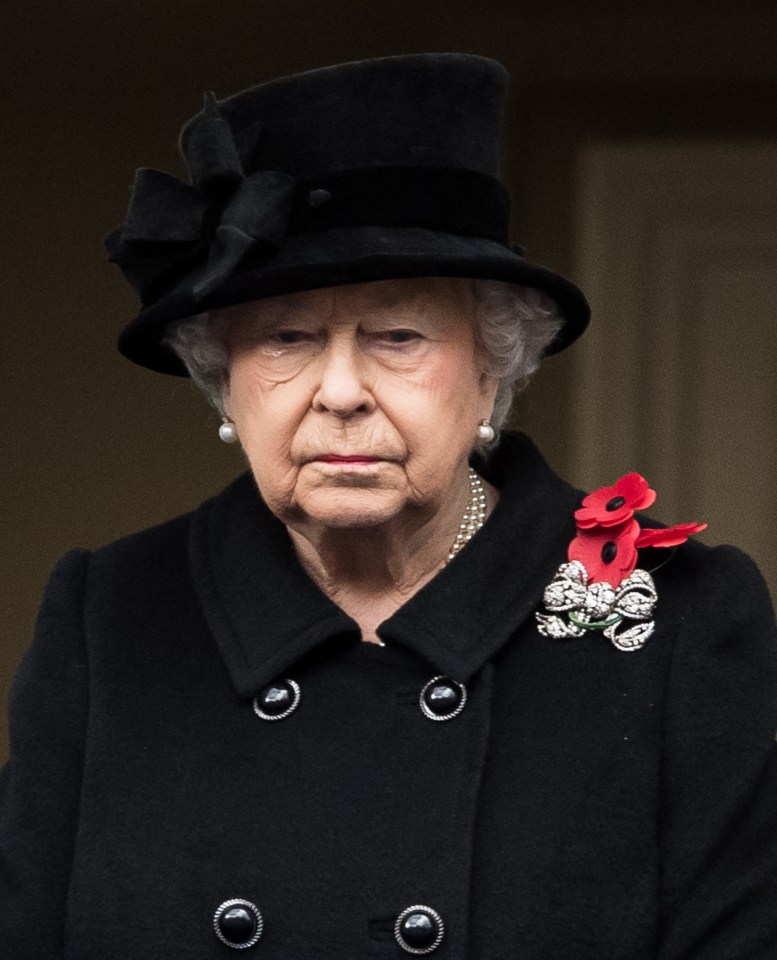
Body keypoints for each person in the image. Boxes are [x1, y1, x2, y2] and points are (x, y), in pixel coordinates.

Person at [1, 53, 775, 959]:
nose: (339, 392)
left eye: (396, 336)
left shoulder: (682, 619)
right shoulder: (111, 614)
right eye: (285, 338)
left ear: (493, 366)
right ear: (225, 384)